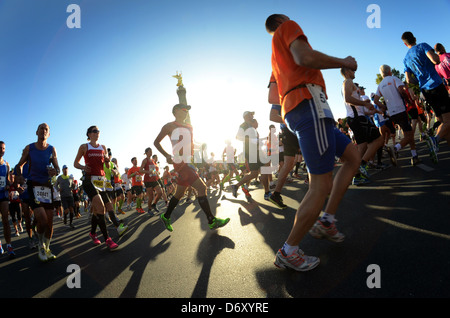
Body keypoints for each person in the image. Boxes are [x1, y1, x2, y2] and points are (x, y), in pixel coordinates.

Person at [266, 14, 361, 271]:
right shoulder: (287, 28)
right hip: (309, 105)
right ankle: (289, 250)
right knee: (321, 183)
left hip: (306, 107)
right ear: (282, 20)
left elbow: (273, 95)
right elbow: (305, 57)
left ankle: (327, 220)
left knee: (353, 156)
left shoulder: (276, 58)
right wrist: (344, 61)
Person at [154, 104, 230, 232]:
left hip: (189, 163)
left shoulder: (190, 127)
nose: (186, 112)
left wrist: (199, 160)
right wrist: (166, 155)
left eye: (187, 111)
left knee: (179, 193)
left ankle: (166, 216)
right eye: (184, 110)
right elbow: (156, 142)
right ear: (176, 111)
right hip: (180, 163)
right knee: (202, 187)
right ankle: (211, 220)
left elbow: (190, 146)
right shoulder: (169, 126)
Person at [402, 32, 450, 163]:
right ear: (415, 39)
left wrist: (419, 78)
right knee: (449, 120)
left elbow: (408, 80)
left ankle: (435, 144)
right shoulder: (422, 46)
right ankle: (435, 140)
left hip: (426, 91)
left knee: (442, 120)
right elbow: (435, 60)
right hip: (436, 85)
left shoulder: (406, 59)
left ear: (405, 44)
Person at [15, 123, 60, 261]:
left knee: (50, 222)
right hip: (33, 186)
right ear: (37, 132)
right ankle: (40, 246)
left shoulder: (52, 149)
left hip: (47, 186)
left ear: (49, 134)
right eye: (41, 128)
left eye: (46, 129)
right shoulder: (29, 148)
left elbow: (57, 169)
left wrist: (55, 171)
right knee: (42, 219)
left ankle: (46, 248)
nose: (43, 131)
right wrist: (19, 176)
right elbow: (19, 165)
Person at [74, 125, 119, 250]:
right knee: (101, 208)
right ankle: (108, 239)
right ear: (89, 134)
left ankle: (93, 233)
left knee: (106, 208)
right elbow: (75, 163)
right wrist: (83, 167)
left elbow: (107, 165)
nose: (97, 133)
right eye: (94, 131)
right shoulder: (84, 147)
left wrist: (106, 161)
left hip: (101, 181)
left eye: (98, 131)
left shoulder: (102, 147)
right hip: (89, 181)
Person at [341, 67, 386, 184]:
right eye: (352, 70)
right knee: (379, 139)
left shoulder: (350, 84)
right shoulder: (348, 82)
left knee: (362, 147)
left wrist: (372, 110)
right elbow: (347, 99)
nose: (354, 72)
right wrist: (364, 103)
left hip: (356, 118)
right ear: (347, 71)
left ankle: (357, 176)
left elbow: (360, 108)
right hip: (356, 119)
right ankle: (363, 164)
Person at [374, 64, 422, 165]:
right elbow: (401, 90)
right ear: (389, 71)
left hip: (392, 113)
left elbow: (375, 100)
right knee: (409, 134)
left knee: (408, 133)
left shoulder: (380, 85)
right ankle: (396, 148)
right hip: (400, 109)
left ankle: (414, 156)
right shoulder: (394, 78)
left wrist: (384, 107)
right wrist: (408, 100)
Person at [232, 111, 271, 201]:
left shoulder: (251, 127)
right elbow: (238, 137)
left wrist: (261, 140)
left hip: (255, 151)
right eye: (250, 114)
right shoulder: (243, 125)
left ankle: (236, 186)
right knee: (265, 167)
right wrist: (251, 141)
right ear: (246, 116)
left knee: (255, 173)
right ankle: (267, 192)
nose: (252, 116)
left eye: (252, 114)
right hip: (251, 152)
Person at [0, 141, 15, 258]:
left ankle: (9, 245)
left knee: (5, 219)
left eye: (4, 148)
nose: (2, 150)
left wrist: (9, 184)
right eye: (0, 148)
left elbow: (9, 181)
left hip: (3, 195)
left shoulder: (7, 165)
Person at [140, 147, 163, 216]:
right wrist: (148, 171)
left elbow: (153, 170)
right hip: (147, 180)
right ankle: (149, 209)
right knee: (151, 196)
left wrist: (156, 172)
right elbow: (141, 170)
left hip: (154, 179)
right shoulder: (145, 160)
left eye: (151, 151)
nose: (151, 152)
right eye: (150, 151)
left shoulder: (153, 160)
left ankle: (154, 204)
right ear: (146, 153)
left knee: (160, 192)